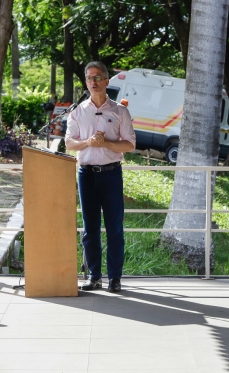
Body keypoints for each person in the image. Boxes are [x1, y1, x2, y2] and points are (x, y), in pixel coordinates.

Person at [65, 61, 136, 292]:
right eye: (89, 78)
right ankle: (94, 277)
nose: (93, 82)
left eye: (97, 77)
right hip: (86, 175)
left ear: (106, 81)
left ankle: (115, 278)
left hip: (111, 174)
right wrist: (88, 142)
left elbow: (129, 145)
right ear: (85, 82)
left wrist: (105, 142)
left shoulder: (119, 111)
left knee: (115, 228)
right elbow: (69, 143)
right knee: (90, 229)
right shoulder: (77, 112)